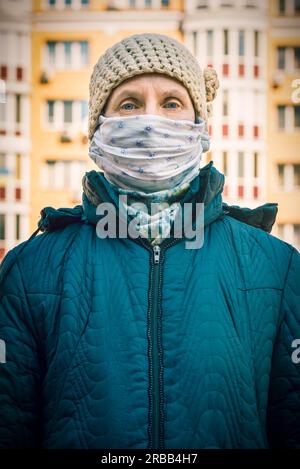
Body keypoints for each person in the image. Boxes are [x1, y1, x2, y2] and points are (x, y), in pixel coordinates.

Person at [0, 33, 299, 450]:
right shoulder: (31, 271)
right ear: (98, 126)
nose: (150, 122)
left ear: (200, 125)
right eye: (129, 104)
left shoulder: (275, 268)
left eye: (172, 103)